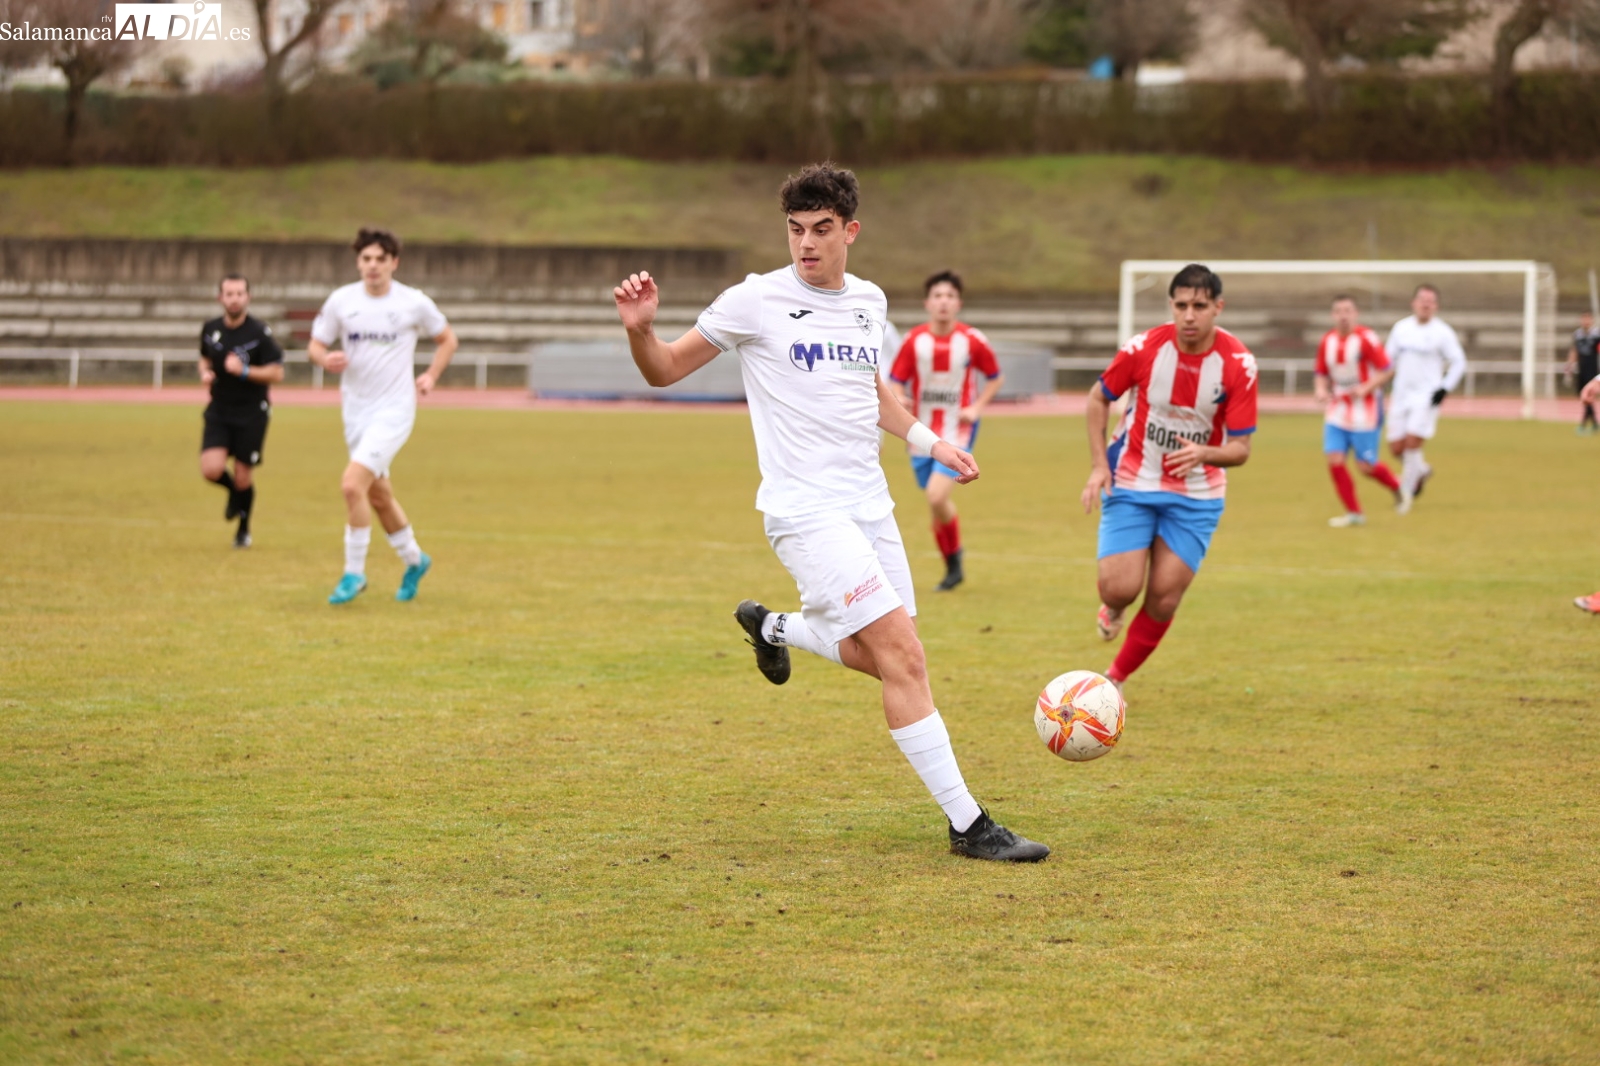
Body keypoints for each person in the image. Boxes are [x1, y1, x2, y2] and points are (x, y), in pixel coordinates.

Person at [611, 162, 1048, 863]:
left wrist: (935, 443)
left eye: (821, 230)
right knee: (904, 656)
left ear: (851, 230)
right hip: (804, 511)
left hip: (869, 506)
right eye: (794, 230)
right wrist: (640, 331)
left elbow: (870, 393)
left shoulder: (869, 302)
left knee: (889, 659)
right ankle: (970, 826)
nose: (806, 244)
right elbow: (663, 369)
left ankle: (773, 625)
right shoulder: (753, 301)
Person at [1081, 264, 1258, 690]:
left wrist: (1205, 453)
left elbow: (1241, 450)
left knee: (1164, 596)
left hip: (1197, 494)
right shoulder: (1143, 348)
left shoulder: (1238, 364)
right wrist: (1098, 466)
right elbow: (1097, 397)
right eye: (1181, 305)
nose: (1189, 315)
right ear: (1172, 307)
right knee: (1119, 588)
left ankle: (1115, 679)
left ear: (1218, 307)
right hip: (1133, 479)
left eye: (1199, 306)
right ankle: (1114, 608)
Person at [307, 229, 458, 605]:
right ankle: (415, 559)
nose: (372, 265)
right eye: (366, 259)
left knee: (350, 485)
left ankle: (353, 573)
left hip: (395, 410)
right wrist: (325, 359)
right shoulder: (342, 301)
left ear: (394, 262)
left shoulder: (413, 302)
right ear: (359, 263)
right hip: (355, 411)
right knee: (378, 495)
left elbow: (447, 339)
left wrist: (430, 375)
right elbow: (315, 343)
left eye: (380, 258)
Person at [888, 270, 1004, 590]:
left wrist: (977, 407)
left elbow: (995, 376)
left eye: (950, 296)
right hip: (919, 431)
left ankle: (953, 563)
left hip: (957, 431)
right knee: (934, 501)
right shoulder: (914, 341)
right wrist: (899, 397)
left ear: (958, 303)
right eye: (938, 296)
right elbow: (896, 378)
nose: (943, 302)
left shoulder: (972, 340)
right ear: (927, 303)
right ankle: (953, 563)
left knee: (937, 496)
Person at [198, 274, 283, 549]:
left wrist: (245, 371)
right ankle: (235, 493)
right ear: (220, 298)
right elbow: (204, 358)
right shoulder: (210, 329)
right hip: (219, 408)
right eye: (229, 293)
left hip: (251, 412)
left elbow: (277, 372)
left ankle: (243, 529)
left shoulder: (259, 332)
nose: (234, 298)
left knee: (245, 475)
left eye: (239, 293)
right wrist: (205, 373)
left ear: (248, 297)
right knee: (211, 469)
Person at [1314, 294, 1400, 527]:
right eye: (1339, 311)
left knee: (1366, 466)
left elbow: (1387, 369)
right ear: (1333, 315)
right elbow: (1320, 373)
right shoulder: (1327, 341)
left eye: (1348, 310)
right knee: (1334, 458)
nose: (1343, 315)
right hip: (1338, 408)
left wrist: (1366, 388)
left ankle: (1398, 486)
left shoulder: (1366, 338)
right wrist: (1321, 390)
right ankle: (1354, 513)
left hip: (1366, 410)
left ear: (1355, 313)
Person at [1384, 285, 1466, 514]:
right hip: (1401, 395)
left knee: (1412, 443)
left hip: (1426, 397)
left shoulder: (1442, 333)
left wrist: (1445, 388)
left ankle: (1406, 494)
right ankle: (1421, 470)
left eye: (1430, 301)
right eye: (1422, 300)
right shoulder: (1401, 329)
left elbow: (1459, 361)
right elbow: (1387, 361)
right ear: (1414, 303)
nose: (1425, 304)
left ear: (1436, 306)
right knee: (1396, 448)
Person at [1565, 311, 1599, 434]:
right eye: (1584, 319)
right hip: (1582, 369)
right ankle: (1595, 423)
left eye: (1588, 319)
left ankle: (1584, 423)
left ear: (1591, 320)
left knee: (1588, 396)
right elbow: (1574, 351)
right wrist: (1570, 365)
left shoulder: (1596, 335)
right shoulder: (1577, 335)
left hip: (1593, 370)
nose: (1586, 321)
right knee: (1584, 396)